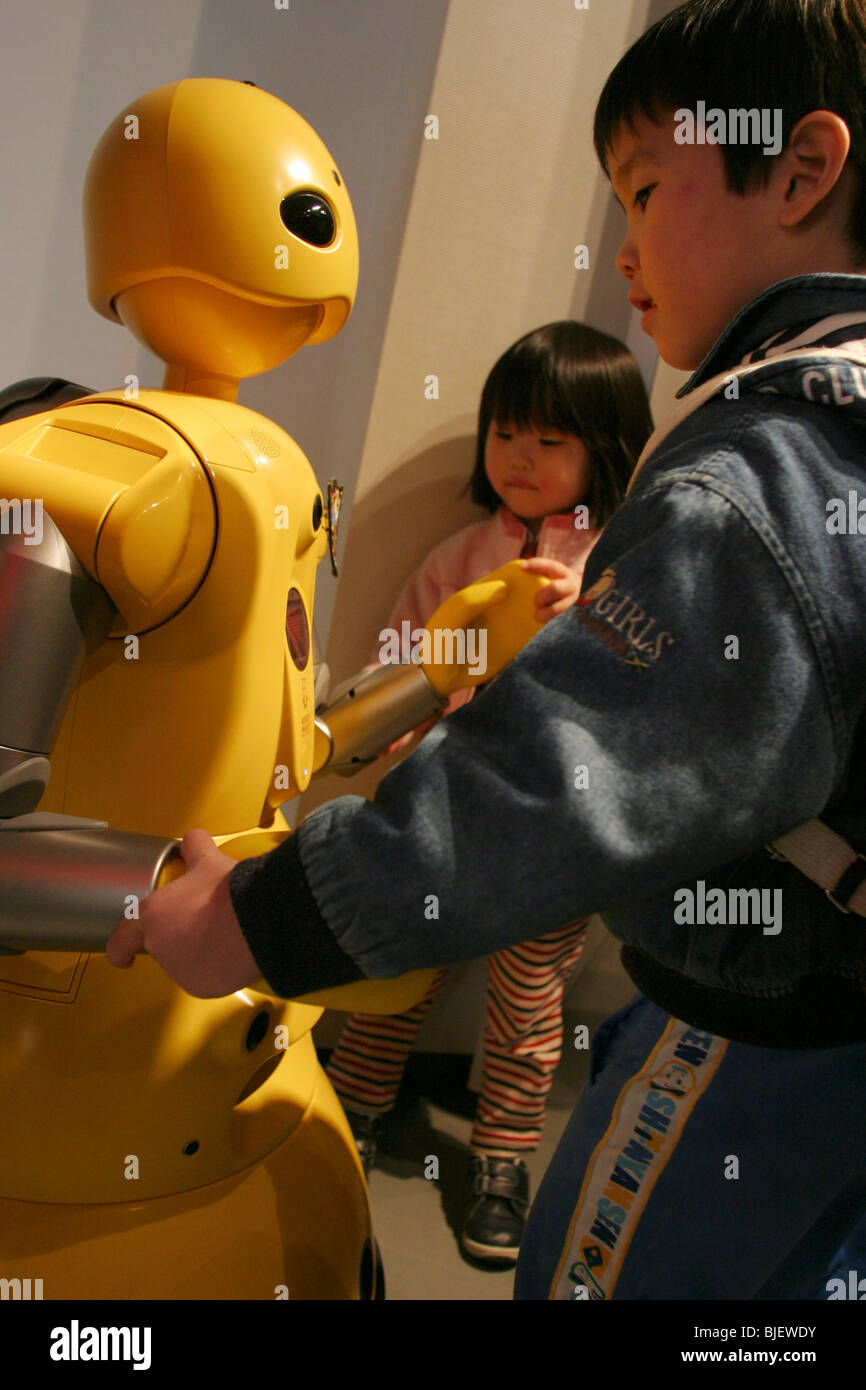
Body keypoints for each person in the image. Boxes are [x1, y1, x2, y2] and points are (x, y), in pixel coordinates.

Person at [108, 0, 866, 1301]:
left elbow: (553, 772)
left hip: (763, 1033)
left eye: (640, 190)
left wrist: (258, 918)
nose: (624, 247)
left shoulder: (759, 471)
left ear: (798, 169)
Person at [322, 322, 652, 1268]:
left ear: (605, 448)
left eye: (551, 440)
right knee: (399, 968)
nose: (521, 456)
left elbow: (632, 699)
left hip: (552, 833)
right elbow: (407, 669)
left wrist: (574, 622)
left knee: (526, 1005)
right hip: (443, 812)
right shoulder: (458, 556)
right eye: (506, 432)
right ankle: (355, 1103)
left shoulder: (619, 565)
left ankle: (504, 1161)